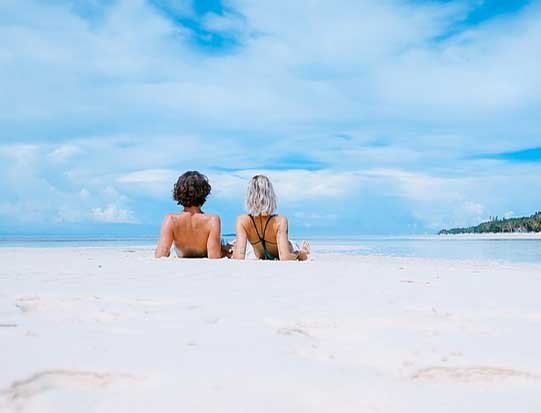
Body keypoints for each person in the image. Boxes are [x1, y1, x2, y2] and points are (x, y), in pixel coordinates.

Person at [232, 175, 310, 261]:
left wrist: (233, 250)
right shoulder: (279, 221)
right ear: (270, 196)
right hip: (284, 250)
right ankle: (302, 252)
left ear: (249, 196)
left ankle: (303, 252)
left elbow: (239, 257)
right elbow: (285, 258)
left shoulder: (242, 221)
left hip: (268, 253)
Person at [155, 171, 227, 259]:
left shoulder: (171, 219)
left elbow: (161, 254)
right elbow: (214, 256)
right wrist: (224, 251)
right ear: (204, 193)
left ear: (179, 193)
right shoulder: (212, 220)